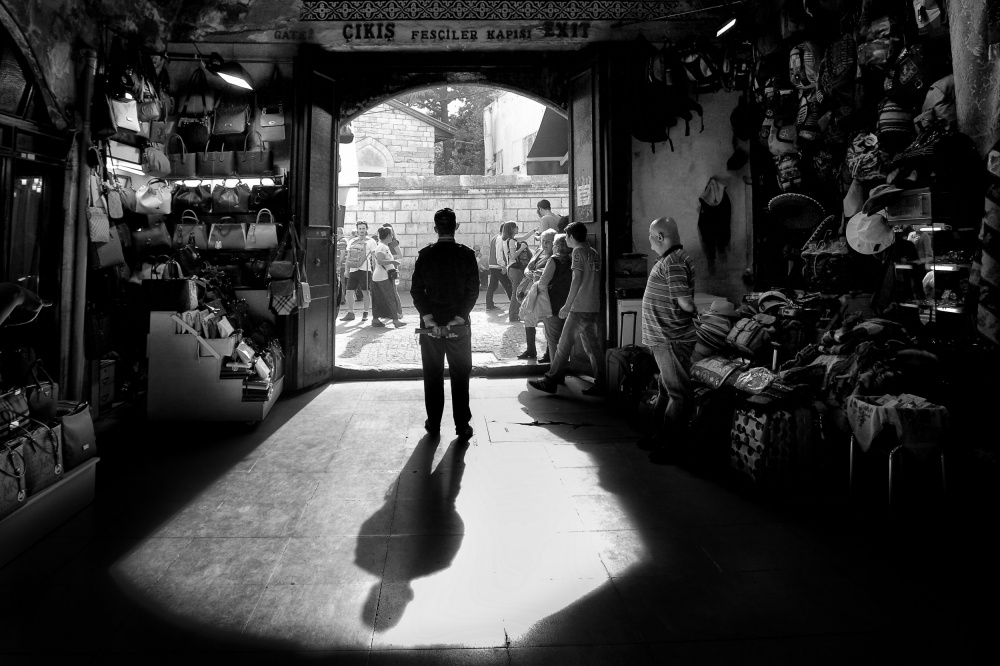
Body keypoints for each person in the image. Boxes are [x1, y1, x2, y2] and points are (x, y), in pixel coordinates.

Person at [410, 208, 480, 439]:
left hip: (431, 327)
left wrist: (428, 318)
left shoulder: (425, 255)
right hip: (459, 326)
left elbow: (416, 291)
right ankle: (462, 425)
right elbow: (473, 290)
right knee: (460, 374)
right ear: (456, 227)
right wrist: (459, 317)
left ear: (435, 228)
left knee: (432, 374)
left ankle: (434, 423)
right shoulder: (466, 255)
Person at [636, 216, 697, 464]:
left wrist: (697, 313)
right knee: (666, 389)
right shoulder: (670, 260)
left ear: (660, 237)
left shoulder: (674, 262)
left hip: (671, 339)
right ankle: (658, 436)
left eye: (651, 238)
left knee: (678, 394)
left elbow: (684, 301)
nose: (650, 243)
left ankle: (672, 446)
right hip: (662, 339)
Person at [527, 221, 605, 396]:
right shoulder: (593, 252)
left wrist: (568, 305)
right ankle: (602, 382)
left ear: (570, 236)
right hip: (593, 305)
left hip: (579, 306)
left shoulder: (577, 252)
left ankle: (551, 380)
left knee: (563, 345)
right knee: (592, 347)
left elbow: (576, 279)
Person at [517, 228, 556, 360]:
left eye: (548, 242)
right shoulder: (539, 251)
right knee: (529, 318)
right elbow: (529, 265)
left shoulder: (555, 256)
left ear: (555, 243)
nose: (544, 244)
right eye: (542, 241)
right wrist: (528, 272)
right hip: (533, 290)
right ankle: (531, 350)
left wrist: (538, 274)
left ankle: (549, 353)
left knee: (547, 321)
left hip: (546, 292)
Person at [536, 233, 574, 364]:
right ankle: (564, 366)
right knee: (565, 339)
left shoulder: (554, 260)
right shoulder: (573, 259)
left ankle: (555, 369)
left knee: (553, 339)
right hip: (569, 302)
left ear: (557, 246)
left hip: (553, 303)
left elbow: (543, 283)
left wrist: (536, 283)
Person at [341, 221, 377, 322]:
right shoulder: (352, 241)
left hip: (365, 270)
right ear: (357, 229)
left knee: (365, 291)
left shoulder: (371, 241)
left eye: (363, 228)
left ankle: (365, 312)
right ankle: (350, 313)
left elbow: (374, 258)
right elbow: (348, 257)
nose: (361, 230)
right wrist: (347, 270)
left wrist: (374, 270)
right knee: (349, 291)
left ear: (366, 229)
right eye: (360, 228)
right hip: (353, 269)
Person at [371, 227, 406, 328]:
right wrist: (393, 261)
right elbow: (380, 261)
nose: (392, 236)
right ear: (387, 236)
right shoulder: (382, 247)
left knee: (378, 299)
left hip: (380, 276)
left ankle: (376, 319)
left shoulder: (381, 246)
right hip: (383, 277)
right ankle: (395, 320)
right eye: (391, 235)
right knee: (391, 298)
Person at [503, 221, 531, 323]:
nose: (518, 228)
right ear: (512, 229)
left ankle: (516, 314)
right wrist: (522, 248)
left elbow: (524, 237)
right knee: (517, 292)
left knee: (517, 291)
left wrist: (534, 231)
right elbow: (513, 255)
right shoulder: (511, 241)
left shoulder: (509, 240)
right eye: (516, 227)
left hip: (511, 269)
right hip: (515, 269)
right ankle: (513, 315)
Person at [486, 222, 514, 311]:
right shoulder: (500, 239)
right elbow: (499, 253)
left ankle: (489, 304)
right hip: (498, 266)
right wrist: (503, 266)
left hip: (493, 265)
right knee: (508, 285)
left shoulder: (494, 238)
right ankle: (514, 305)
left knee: (493, 285)